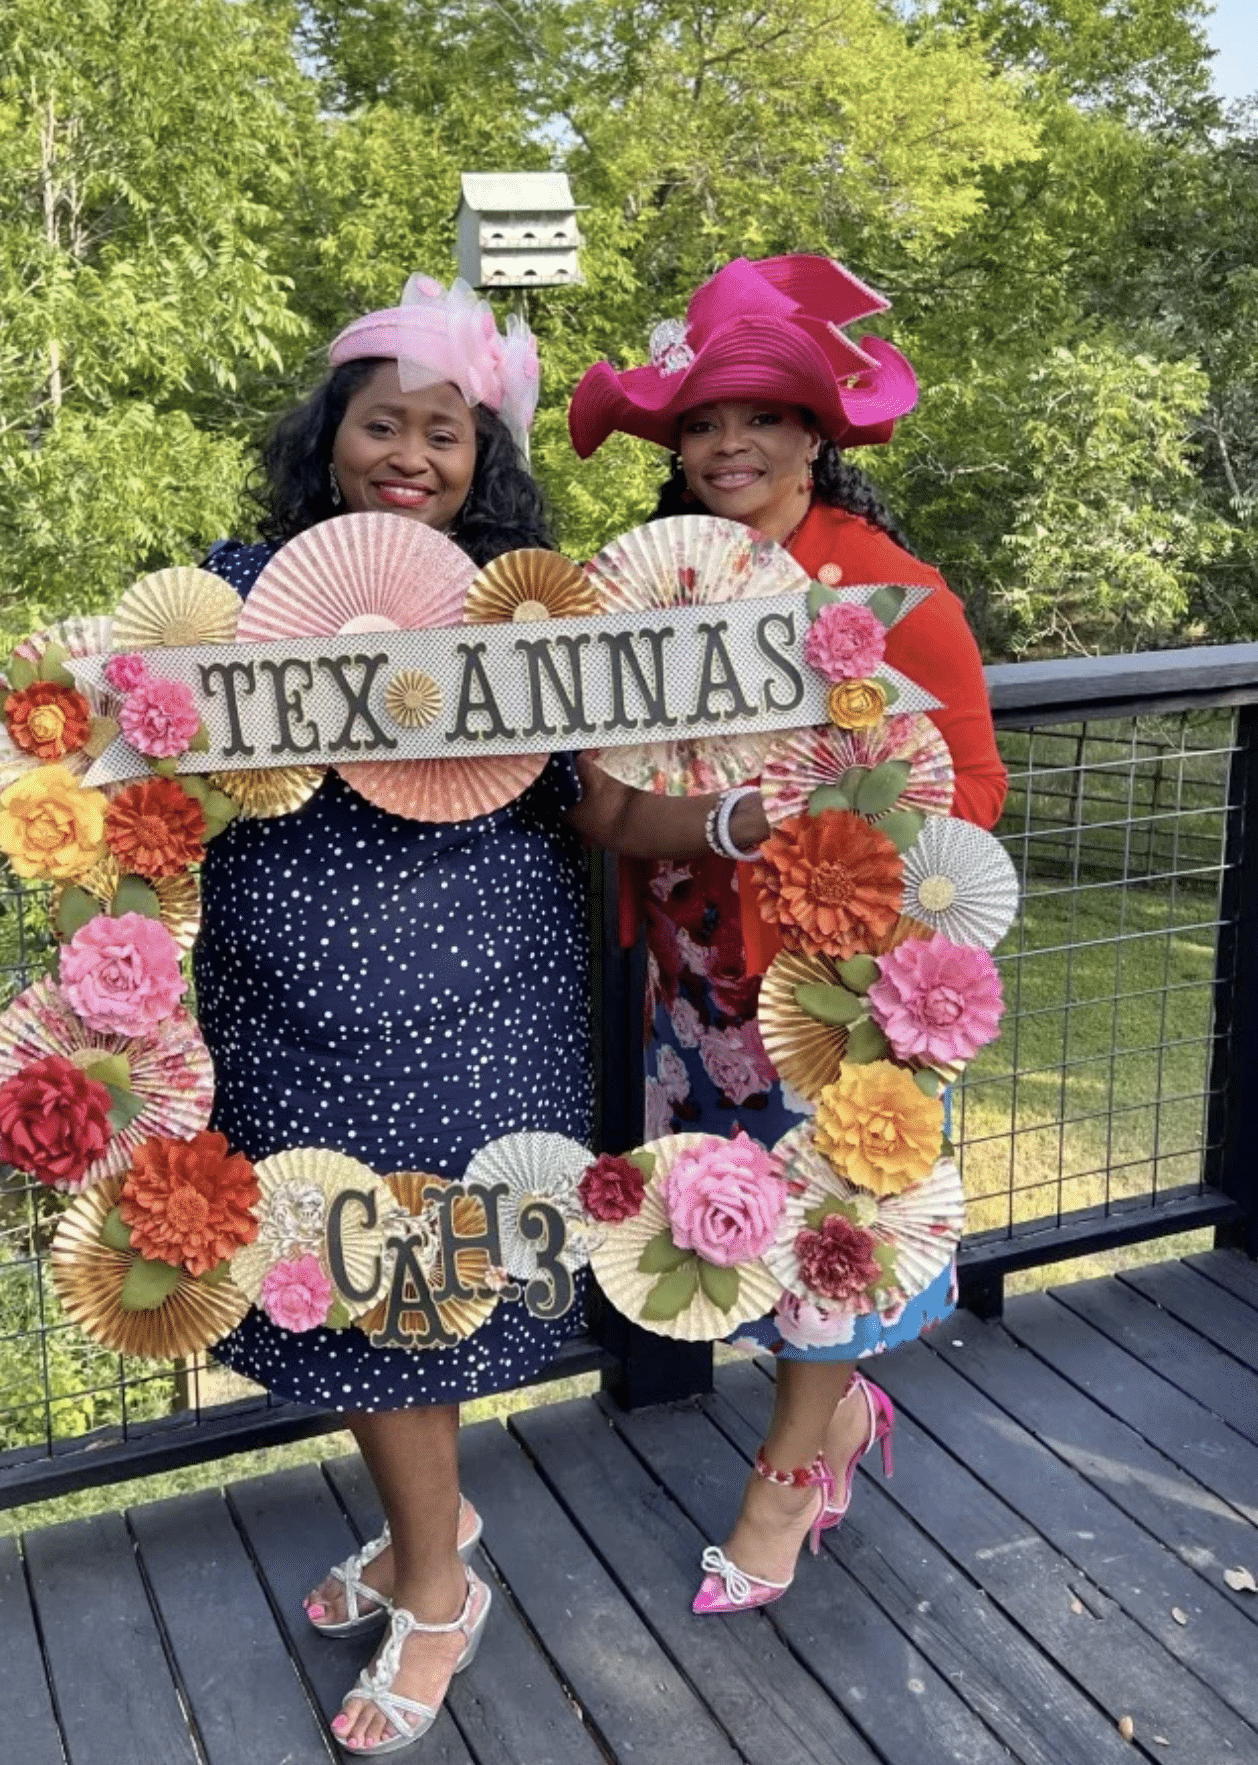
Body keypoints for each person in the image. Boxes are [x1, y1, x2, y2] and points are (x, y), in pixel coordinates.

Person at [566, 255, 1009, 1613]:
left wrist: (825, 845)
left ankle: (782, 1482)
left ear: (815, 431)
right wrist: (722, 825)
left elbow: (966, 797)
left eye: (758, 415)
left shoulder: (887, 587)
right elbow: (601, 803)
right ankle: (834, 1422)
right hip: (694, 978)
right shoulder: (635, 596)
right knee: (732, 1222)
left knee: (831, 1230)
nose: (726, 444)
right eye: (699, 422)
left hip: (840, 981)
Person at [193, 276, 591, 1753]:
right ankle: (431, 1521)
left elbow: (578, 791)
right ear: (332, 437)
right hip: (283, 997)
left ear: (482, 458)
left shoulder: (534, 608)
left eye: (445, 431)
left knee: (409, 1287)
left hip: (473, 995)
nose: (409, 454)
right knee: (323, 1258)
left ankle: (436, 1587)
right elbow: (149, 749)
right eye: (382, 424)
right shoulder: (234, 587)